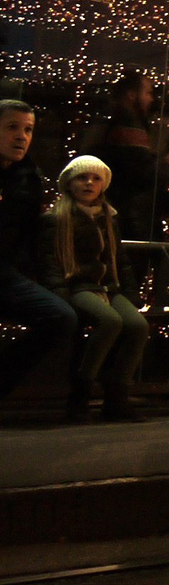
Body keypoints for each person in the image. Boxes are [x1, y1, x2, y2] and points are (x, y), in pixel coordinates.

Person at [47, 154, 148, 421]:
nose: (89, 183)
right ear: (69, 183)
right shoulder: (57, 218)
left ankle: (117, 394)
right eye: (82, 177)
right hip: (78, 286)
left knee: (138, 325)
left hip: (108, 287)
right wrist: (61, 295)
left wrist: (129, 294)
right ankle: (81, 390)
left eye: (95, 178)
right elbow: (51, 262)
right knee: (109, 321)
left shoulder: (108, 217)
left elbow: (120, 260)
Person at [0, 100, 73, 405]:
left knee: (61, 318)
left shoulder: (29, 178)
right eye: (12, 128)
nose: (22, 137)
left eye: (28, 130)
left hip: (6, 274)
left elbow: (30, 235)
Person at [87, 74, 169, 246]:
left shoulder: (113, 121)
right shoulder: (127, 125)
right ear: (131, 95)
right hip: (132, 221)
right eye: (147, 93)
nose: (151, 99)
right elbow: (139, 173)